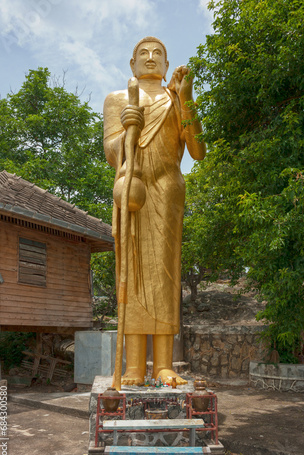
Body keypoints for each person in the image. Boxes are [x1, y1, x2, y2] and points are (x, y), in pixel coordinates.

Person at [104, 36, 206, 385]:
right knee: (131, 276)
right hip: (133, 189)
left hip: (167, 190)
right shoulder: (117, 99)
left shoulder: (175, 100)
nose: (151, 58)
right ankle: (133, 366)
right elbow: (111, 152)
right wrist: (128, 127)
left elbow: (197, 149)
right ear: (132, 65)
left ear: (166, 66)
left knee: (163, 278)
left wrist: (186, 96)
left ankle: (163, 365)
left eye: (158, 54)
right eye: (143, 54)